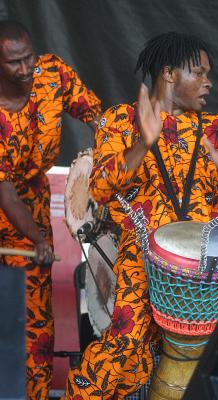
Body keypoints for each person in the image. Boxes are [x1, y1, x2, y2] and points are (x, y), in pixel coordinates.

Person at [65, 31, 218, 399]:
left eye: (209, 74)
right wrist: (143, 142)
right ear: (169, 74)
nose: (209, 82)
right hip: (139, 264)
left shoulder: (216, 130)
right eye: (199, 73)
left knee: (210, 364)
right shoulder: (122, 120)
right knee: (123, 353)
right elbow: (100, 188)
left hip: (202, 272)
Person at [0, 20, 102, 400]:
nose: (26, 70)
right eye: (14, 63)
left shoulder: (52, 74)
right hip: (11, 210)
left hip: (32, 206)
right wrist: (38, 239)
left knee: (36, 323)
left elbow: (96, 114)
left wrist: (109, 154)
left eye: (28, 58)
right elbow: (5, 194)